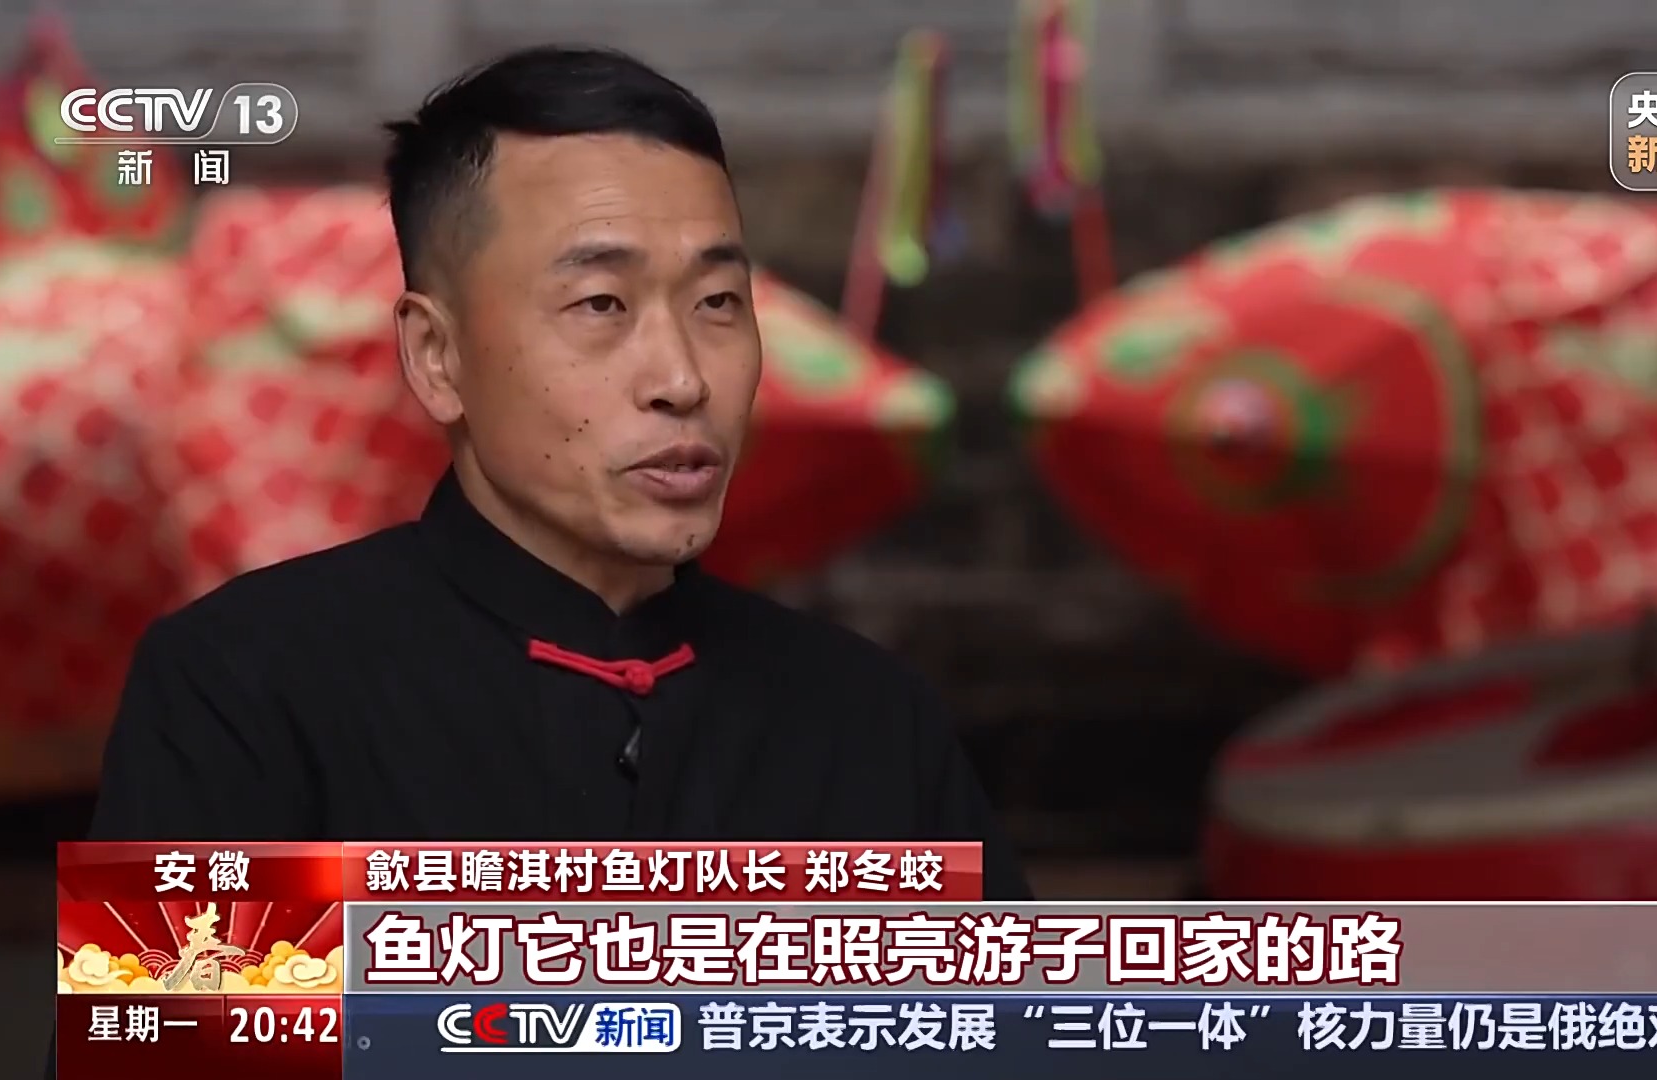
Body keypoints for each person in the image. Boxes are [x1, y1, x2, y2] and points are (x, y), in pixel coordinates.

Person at [84, 45, 1030, 899]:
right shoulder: (239, 688)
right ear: (437, 357)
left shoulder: (872, 721)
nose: (682, 379)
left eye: (717, 301)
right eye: (601, 303)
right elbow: (169, 1015)